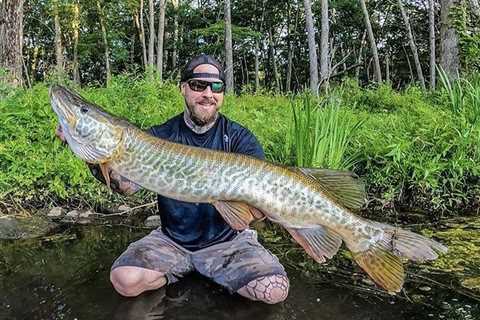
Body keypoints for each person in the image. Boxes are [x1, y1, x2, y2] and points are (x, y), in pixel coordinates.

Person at [55, 54, 289, 304]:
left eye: (216, 86)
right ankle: (184, 271)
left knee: (273, 290)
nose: (208, 93)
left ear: (222, 93)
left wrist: (255, 211)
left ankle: (206, 269)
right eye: (199, 85)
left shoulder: (240, 139)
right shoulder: (160, 135)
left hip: (228, 242)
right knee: (125, 280)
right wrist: (92, 158)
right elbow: (126, 187)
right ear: (184, 89)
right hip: (173, 241)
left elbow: (254, 212)